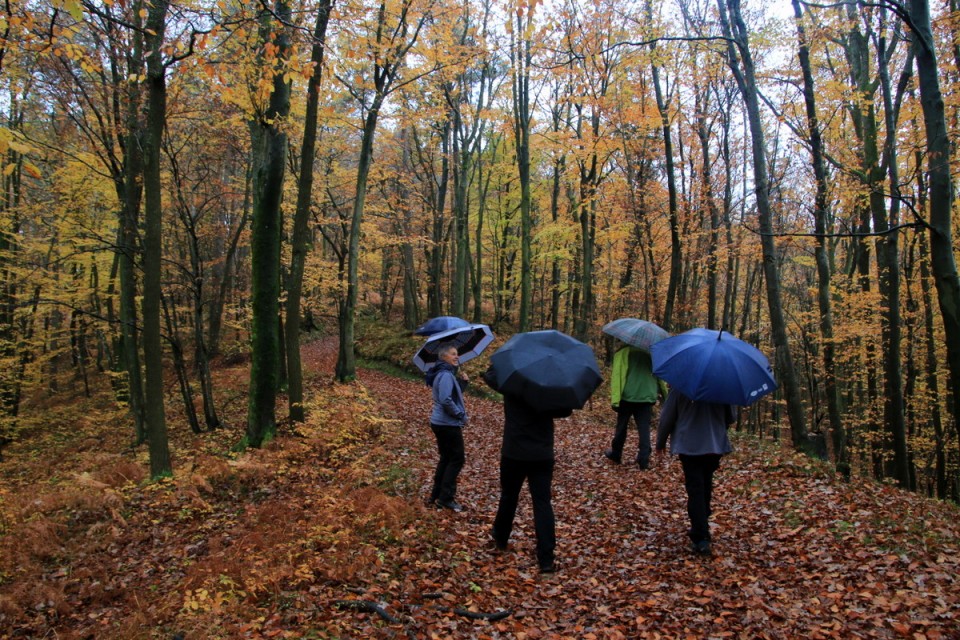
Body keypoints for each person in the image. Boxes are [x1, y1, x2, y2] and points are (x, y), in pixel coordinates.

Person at [482, 368, 570, 574]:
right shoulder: (549, 387)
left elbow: (490, 377)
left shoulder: (512, 383)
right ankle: (546, 558)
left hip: (514, 451)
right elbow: (566, 409)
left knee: (509, 496)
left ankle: (501, 538)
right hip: (542, 454)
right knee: (542, 503)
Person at [655, 389, 737, 556]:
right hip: (713, 444)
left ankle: (700, 535)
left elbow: (667, 417)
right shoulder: (722, 388)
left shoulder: (681, 387)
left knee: (695, 488)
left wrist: (660, 442)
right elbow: (731, 418)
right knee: (705, 484)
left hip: (689, 445)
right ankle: (702, 522)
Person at [425, 344, 470, 512]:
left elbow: (451, 396)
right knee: (457, 459)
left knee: (446, 458)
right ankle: (446, 498)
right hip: (447, 424)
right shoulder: (445, 375)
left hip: (441, 423)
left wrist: (463, 384)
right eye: (453, 354)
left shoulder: (445, 373)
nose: (456, 356)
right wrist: (460, 415)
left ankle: (436, 495)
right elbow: (445, 400)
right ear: (444, 357)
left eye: (457, 354)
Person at [605, 345, 663, 469]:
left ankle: (616, 453)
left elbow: (617, 376)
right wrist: (665, 394)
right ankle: (643, 459)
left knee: (621, 427)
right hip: (647, 395)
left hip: (627, 396)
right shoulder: (652, 354)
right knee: (644, 429)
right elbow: (659, 375)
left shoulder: (623, 352)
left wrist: (615, 399)